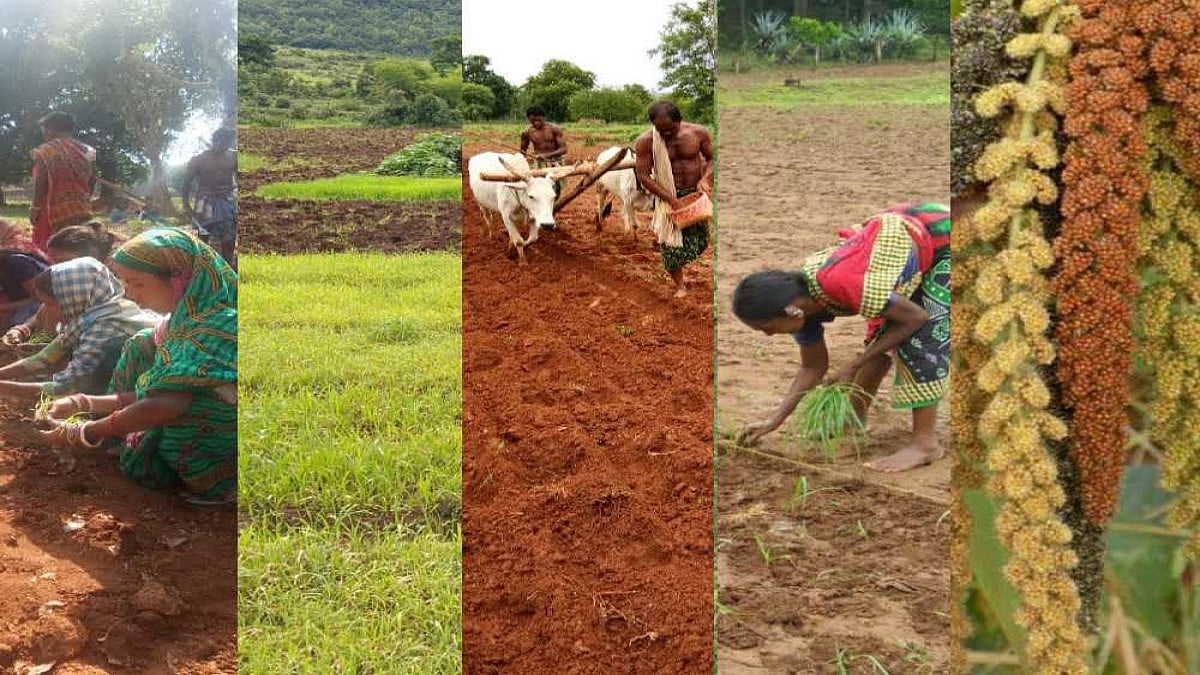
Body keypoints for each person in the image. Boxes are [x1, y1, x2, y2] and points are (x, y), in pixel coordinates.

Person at [732, 202, 951, 473]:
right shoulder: (802, 308)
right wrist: (773, 421)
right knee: (880, 340)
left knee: (919, 341)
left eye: (767, 327)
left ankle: (925, 444)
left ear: (790, 310)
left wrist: (854, 365)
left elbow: (916, 318)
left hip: (941, 239)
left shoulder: (840, 283)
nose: (768, 334)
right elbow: (812, 367)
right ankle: (851, 421)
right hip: (892, 259)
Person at [40, 228, 237, 505]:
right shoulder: (181, 320)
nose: (130, 295)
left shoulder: (213, 325)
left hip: (228, 426)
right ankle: (124, 434)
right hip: (183, 402)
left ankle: (222, 484)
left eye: (138, 284)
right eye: (125, 283)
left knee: (188, 409)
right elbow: (155, 392)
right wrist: (82, 402)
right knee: (142, 343)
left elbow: (168, 404)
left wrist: (84, 432)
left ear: (179, 279)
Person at [0, 257, 157, 400]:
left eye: (49, 304)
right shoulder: (92, 314)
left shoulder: (104, 328)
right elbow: (43, 359)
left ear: (71, 299)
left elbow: (67, 388)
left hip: (141, 395)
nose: (46, 311)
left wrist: (5, 388)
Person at [633, 101, 715, 298]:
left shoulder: (698, 133)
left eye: (670, 129)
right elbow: (643, 176)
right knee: (670, 246)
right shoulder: (646, 141)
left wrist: (705, 179)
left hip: (695, 196)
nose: (666, 134)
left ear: (679, 120)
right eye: (661, 130)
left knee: (701, 241)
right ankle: (679, 286)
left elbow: (713, 159)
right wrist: (672, 200)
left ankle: (682, 268)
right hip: (666, 197)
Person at [3, 222, 125, 345]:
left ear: (90, 260)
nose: (56, 268)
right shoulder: (64, 293)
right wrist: (21, 330)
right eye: (53, 262)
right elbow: (44, 312)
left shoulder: (109, 305)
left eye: (63, 261)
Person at [30, 111, 96, 251]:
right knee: (76, 245)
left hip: (52, 210)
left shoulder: (46, 150)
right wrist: (84, 199)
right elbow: (92, 179)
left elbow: (41, 182)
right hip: (81, 207)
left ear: (51, 128)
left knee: (50, 247)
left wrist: (35, 208)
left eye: (45, 130)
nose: (44, 135)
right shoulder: (88, 151)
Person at [182, 127, 238, 267]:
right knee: (202, 237)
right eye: (223, 142)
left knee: (229, 238)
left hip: (226, 201)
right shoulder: (198, 160)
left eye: (228, 143)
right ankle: (202, 268)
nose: (225, 146)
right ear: (215, 140)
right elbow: (186, 184)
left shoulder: (233, 157)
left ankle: (227, 268)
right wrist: (186, 205)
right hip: (204, 203)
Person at [519, 105, 568, 202]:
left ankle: (553, 203)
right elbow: (522, 151)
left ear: (543, 117)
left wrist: (546, 155)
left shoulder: (554, 129)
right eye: (533, 121)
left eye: (538, 120)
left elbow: (564, 149)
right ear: (529, 120)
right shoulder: (527, 132)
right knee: (539, 187)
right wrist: (525, 160)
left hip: (555, 162)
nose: (536, 123)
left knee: (555, 188)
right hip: (538, 164)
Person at [0, 247, 49, 330]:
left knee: (17, 323)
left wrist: (3, 307)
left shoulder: (17, 262)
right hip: (28, 305)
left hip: (49, 302)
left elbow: (39, 299)